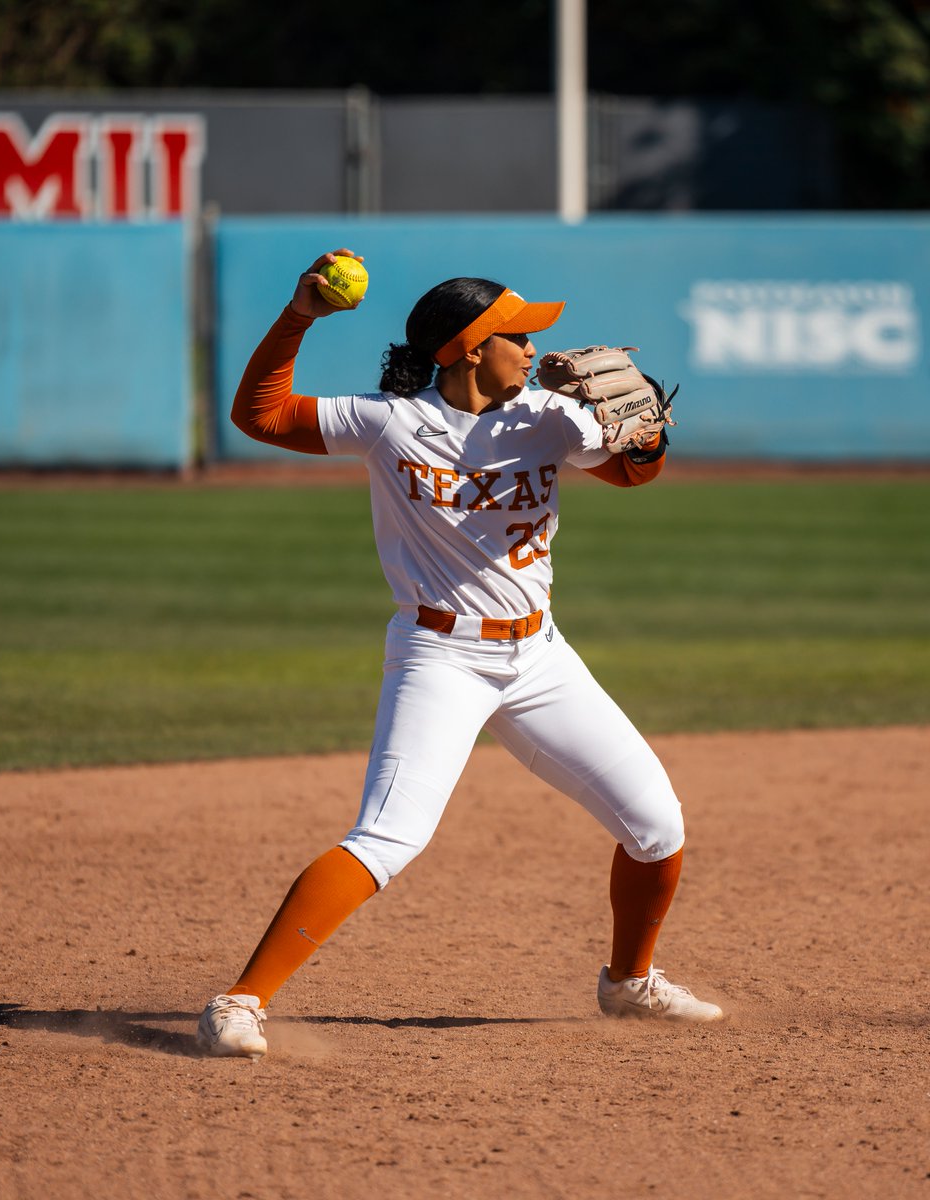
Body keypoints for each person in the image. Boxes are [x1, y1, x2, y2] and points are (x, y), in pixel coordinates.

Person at [195, 248, 722, 1059]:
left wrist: (646, 440)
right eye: (517, 335)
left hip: (540, 659)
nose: (535, 347)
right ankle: (239, 1002)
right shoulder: (388, 422)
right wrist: (300, 315)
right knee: (388, 837)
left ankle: (629, 984)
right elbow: (259, 417)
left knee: (657, 826)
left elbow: (630, 474)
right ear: (472, 348)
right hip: (438, 658)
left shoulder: (549, 415)